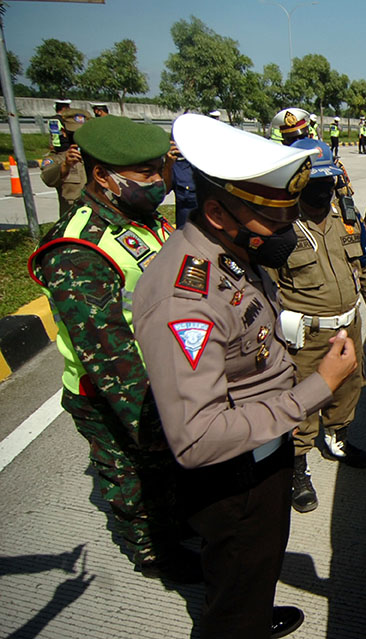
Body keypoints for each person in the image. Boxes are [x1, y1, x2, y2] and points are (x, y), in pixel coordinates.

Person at [132, 113, 358, 639]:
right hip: (234, 477)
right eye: (274, 221)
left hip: (262, 453)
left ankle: (249, 611)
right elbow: (198, 437)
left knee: (254, 566)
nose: (286, 231)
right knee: (238, 569)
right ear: (216, 211)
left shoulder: (230, 252)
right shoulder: (184, 299)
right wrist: (316, 387)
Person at [28, 114, 198, 583]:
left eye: (160, 168)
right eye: (147, 173)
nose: (160, 180)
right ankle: (153, 553)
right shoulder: (78, 249)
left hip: (166, 379)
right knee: (134, 478)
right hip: (118, 393)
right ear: (103, 176)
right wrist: (155, 422)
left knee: (168, 471)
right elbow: (108, 355)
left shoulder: (143, 222)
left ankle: (177, 522)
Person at [268, 138, 366, 512]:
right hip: (305, 333)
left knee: (349, 387)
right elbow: (266, 286)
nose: (322, 191)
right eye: (314, 183)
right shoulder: (280, 229)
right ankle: (298, 463)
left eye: (328, 183)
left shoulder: (348, 219)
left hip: (348, 325)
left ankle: (338, 439)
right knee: (304, 397)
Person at [39, 108, 91, 217]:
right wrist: (66, 166)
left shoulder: (98, 157)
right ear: (64, 132)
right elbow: (48, 179)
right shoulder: (59, 159)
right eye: (74, 133)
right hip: (72, 221)